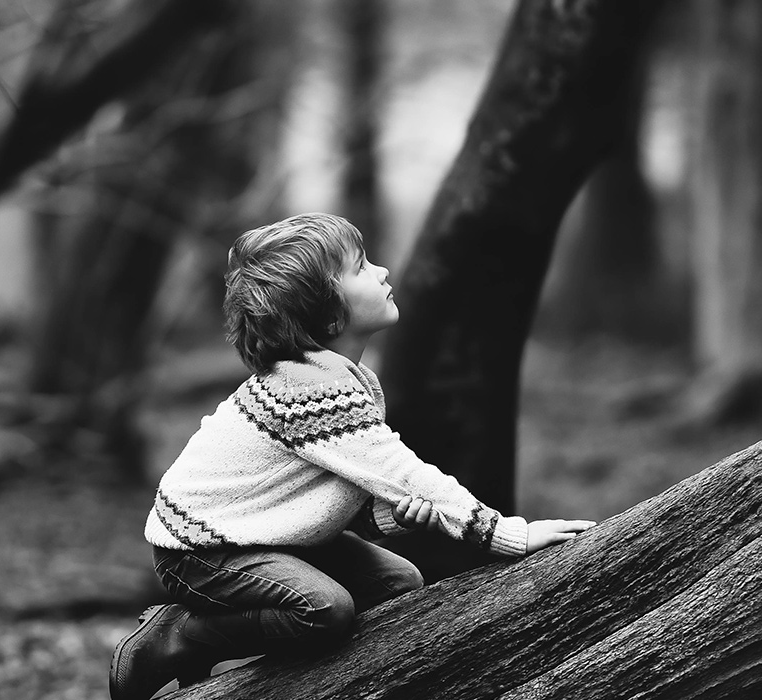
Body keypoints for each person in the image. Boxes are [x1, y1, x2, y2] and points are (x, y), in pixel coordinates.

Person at [109, 213, 595, 699]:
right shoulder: (308, 390)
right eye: (361, 269)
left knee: (397, 583)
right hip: (200, 551)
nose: (382, 272)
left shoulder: (341, 378)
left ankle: (312, 677)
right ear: (331, 315)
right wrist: (508, 534)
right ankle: (176, 636)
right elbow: (406, 473)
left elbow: (328, 485)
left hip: (262, 533)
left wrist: (390, 517)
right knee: (325, 609)